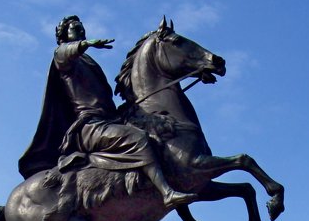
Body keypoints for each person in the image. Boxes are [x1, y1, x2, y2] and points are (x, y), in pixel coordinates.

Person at [20, 15, 197, 210]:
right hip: (89, 127)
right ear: (64, 36)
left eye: (82, 29)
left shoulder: (87, 61)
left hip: (108, 120)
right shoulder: (64, 59)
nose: (81, 31)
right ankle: (167, 193)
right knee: (137, 138)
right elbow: (63, 52)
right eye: (75, 29)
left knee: (162, 143)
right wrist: (85, 44)